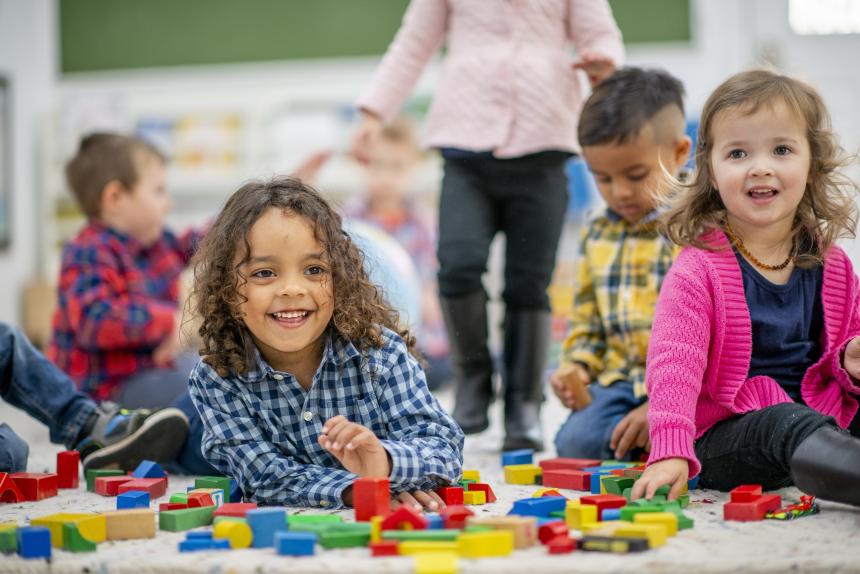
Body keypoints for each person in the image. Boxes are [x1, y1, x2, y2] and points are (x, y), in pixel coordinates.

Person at [353, 0, 625, 451]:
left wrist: (604, 67)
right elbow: (413, 44)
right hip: (465, 145)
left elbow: (600, 35)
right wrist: (373, 113)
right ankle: (473, 384)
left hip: (544, 144)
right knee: (458, 264)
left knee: (528, 283)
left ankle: (523, 404)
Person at [631, 70, 860, 508]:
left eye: (782, 149)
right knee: (783, 425)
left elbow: (841, 357)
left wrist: (849, 362)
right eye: (737, 152)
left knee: (822, 418)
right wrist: (671, 449)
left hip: (817, 418)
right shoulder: (697, 269)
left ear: (811, 163)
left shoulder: (833, 264)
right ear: (712, 172)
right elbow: (673, 364)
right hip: (727, 434)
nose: (761, 166)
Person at [187, 176, 464, 510]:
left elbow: (442, 446)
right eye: (264, 273)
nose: (292, 289)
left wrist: (385, 465)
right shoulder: (217, 378)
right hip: (204, 429)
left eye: (314, 269)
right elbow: (263, 477)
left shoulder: (382, 355)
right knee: (185, 444)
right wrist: (354, 489)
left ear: (340, 279)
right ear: (227, 290)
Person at [47, 132, 214, 474]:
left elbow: (203, 242)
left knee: (215, 371)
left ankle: (183, 435)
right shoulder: (88, 251)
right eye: (158, 191)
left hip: (149, 373)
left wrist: (250, 218)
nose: (167, 203)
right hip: (106, 393)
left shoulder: (157, 242)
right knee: (202, 382)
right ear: (115, 197)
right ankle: (131, 441)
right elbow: (96, 319)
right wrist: (170, 322)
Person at [549, 68, 692, 461]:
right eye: (603, 179)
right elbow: (587, 321)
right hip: (621, 382)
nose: (621, 192)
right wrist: (577, 367)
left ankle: (669, 437)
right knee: (573, 444)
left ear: (680, 153)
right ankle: (651, 440)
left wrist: (663, 405)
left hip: (687, 383)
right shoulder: (596, 231)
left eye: (636, 175)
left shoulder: (697, 226)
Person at [346, 117, 452, 390]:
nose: (386, 178)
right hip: (363, 333)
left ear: (414, 167)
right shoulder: (347, 222)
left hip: (415, 336)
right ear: (362, 165)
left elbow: (430, 289)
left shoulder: (425, 224)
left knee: (437, 367)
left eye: (397, 167)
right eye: (377, 165)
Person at [0, 322, 188, 473]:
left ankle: (87, 425)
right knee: (11, 452)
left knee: (5, 338)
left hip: (152, 368)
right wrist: (168, 320)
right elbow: (91, 321)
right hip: (109, 383)